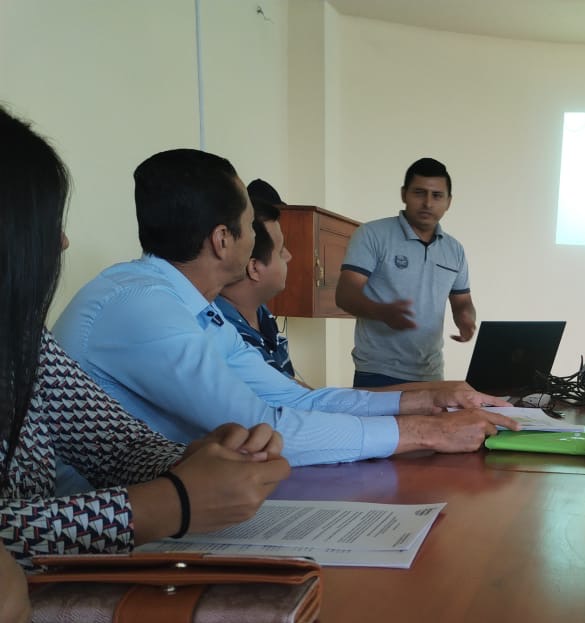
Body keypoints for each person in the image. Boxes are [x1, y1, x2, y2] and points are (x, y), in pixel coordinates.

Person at [54, 149, 515, 468]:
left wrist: (428, 401)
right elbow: (261, 428)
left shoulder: (192, 307)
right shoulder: (142, 307)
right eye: (249, 224)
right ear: (223, 240)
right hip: (103, 533)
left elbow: (295, 399)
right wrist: (427, 433)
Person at [0, 106, 289, 568]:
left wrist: (195, 457)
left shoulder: (23, 341)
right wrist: (172, 503)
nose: (62, 242)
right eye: (42, 222)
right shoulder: (139, 299)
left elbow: (112, 444)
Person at [335, 157, 477, 387]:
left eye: (437, 195)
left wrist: (466, 318)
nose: (427, 203)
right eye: (419, 193)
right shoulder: (372, 234)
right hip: (377, 372)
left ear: (448, 201)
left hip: (431, 373)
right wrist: (382, 312)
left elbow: (462, 301)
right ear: (404, 194)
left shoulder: (454, 250)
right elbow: (345, 294)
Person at [215, 179, 301, 383]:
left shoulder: (261, 314)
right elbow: (282, 398)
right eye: (281, 251)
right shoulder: (221, 331)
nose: (289, 257)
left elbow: (291, 389)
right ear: (254, 268)